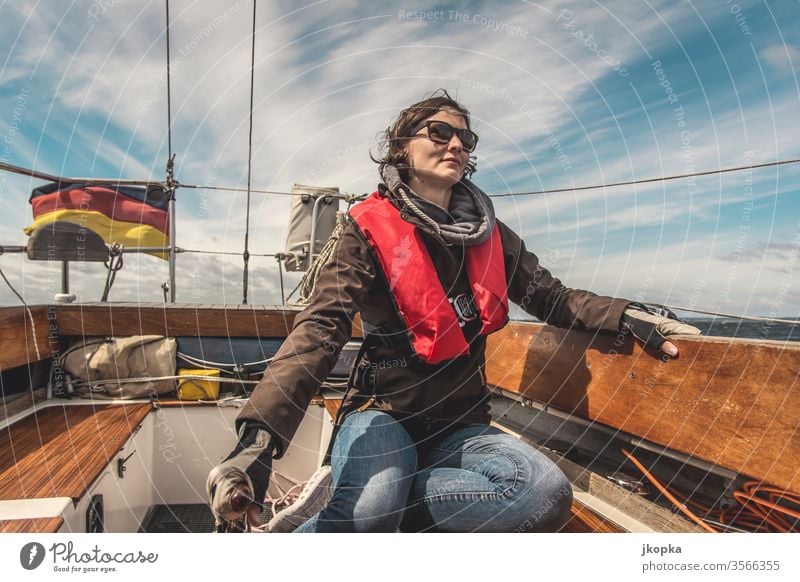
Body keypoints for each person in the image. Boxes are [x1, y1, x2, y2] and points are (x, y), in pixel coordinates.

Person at [206, 89, 700, 533]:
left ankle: (379, 505)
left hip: (461, 423)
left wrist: (628, 315)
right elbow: (321, 327)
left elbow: (552, 297)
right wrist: (259, 440)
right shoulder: (365, 230)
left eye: (466, 137)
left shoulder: (491, 234)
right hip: (383, 414)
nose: (456, 144)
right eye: (439, 131)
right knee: (368, 511)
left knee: (542, 495)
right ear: (402, 146)